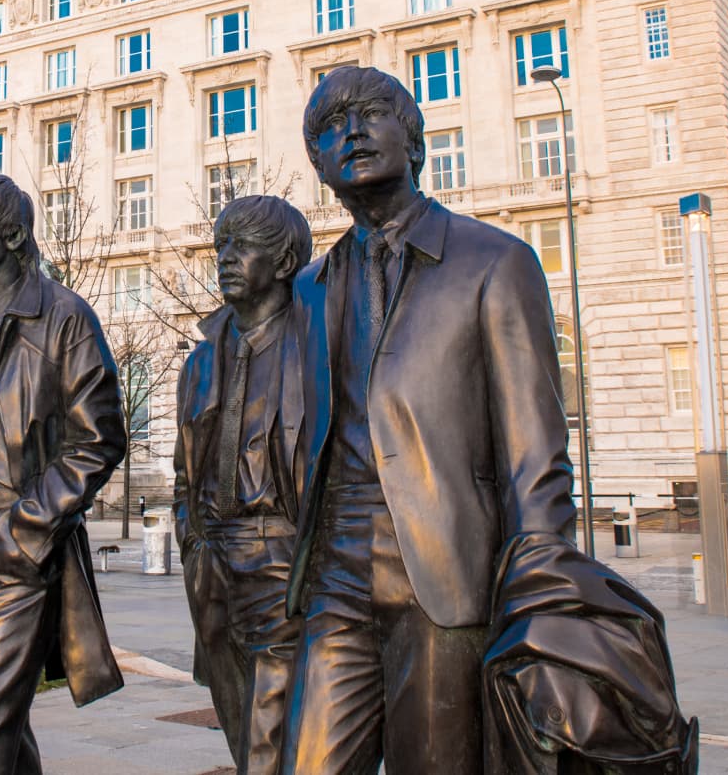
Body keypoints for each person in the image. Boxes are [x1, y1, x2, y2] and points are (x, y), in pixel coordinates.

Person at [283, 66, 577, 774]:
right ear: (320, 166)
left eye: (370, 114)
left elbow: (535, 454)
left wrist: (544, 596)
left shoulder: (495, 262)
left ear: (413, 142)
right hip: (336, 572)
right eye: (328, 128)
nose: (350, 132)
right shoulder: (309, 289)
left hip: (445, 571)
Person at [0, 170, 126, 775]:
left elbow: (98, 438)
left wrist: (29, 526)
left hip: (16, 537)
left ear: (11, 233)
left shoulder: (63, 317)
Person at [173, 195, 311, 775]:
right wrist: (191, 539)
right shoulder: (202, 359)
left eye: (242, 245)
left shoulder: (316, 348)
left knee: (269, 739)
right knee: (238, 722)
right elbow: (185, 471)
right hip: (212, 562)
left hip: (282, 557)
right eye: (221, 244)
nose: (225, 257)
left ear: (282, 262)